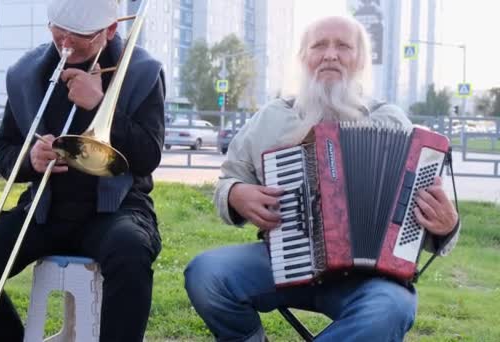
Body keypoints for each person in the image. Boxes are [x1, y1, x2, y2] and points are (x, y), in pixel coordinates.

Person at [184, 16, 460, 342]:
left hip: (367, 279)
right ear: (303, 57)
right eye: (319, 45)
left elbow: (426, 223)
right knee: (207, 274)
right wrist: (235, 194)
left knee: (391, 309)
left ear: (360, 60)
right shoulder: (273, 118)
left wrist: (447, 227)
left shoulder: (392, 122)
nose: (330, 54)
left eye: (343, 46)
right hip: (282, 261)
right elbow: (227, 180)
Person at [0, 0, 165, 340]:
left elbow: (148, 156)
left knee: (130, 253)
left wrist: (102, 106)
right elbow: (4, 152)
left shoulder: (143, 70)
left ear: (111, 30)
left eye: (79, 36)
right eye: (59, 33)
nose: (67, 45)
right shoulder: (25, 73)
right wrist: (31, 159)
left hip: (117, 208)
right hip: (45, 208)